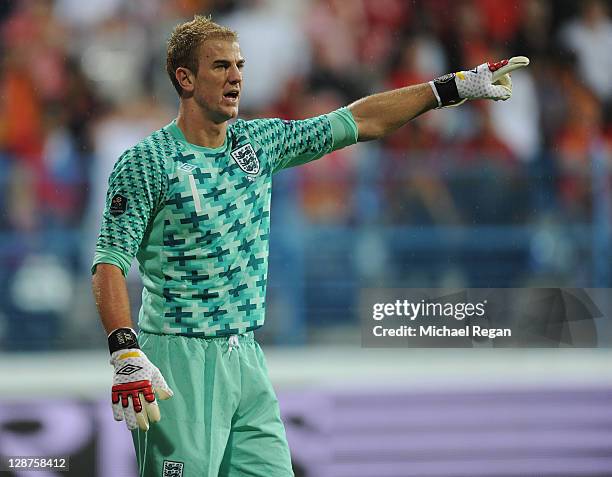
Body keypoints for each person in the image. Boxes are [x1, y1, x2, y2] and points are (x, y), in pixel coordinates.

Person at [91, 15, 517, 477]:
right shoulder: (147, 162)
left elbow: (359, 119)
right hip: (178, 360)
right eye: (219, 66)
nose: (235, 76)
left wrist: (449, 89)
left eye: (239, 65)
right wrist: (125, 351)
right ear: (185, 78)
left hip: (246, 358)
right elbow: (109, 262)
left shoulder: (259, 142)